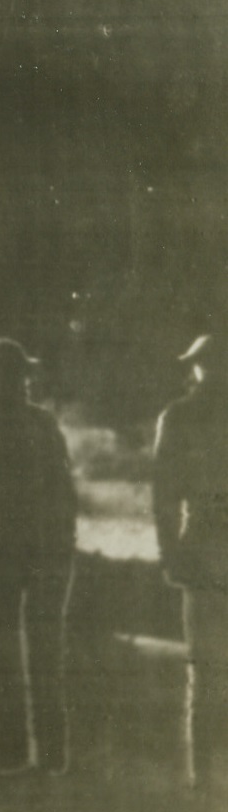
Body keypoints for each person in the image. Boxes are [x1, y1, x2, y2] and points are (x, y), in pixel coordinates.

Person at [0, 338, 77, 774]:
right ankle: (38, 756)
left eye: (2, 375)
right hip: (25, 557)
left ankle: (27, 755)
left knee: (20, 655)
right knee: (27, 655)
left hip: (22, 558)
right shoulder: (28, 423)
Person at [153, 334, 228, 789]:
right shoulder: (178, 416)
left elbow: (163, 496)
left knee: (205, 668)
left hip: (200, 550)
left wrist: (170, 553)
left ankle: (205, 777)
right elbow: (162, 495)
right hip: (202, 551)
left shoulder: (179, 416)